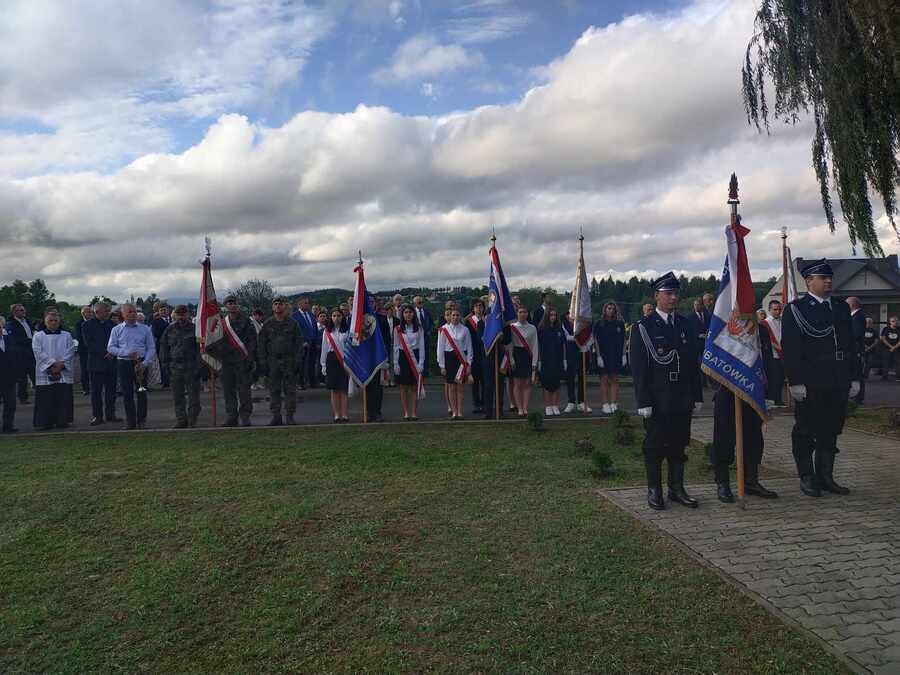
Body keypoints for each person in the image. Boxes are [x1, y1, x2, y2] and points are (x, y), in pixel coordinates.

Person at [781, 259, 860, 497]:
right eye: (823, 278)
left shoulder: (840, 307)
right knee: (805, 431)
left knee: (831, 429)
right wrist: (795, 380)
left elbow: (851, 344)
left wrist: (854, 376)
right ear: (809, 281)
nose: (828, 282)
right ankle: (807, 476)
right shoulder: (796, 309)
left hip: (838, 378)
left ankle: (826, 476)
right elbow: (791, 348)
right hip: (811, 380)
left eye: (830, 278)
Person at [629, 272, 703, 510]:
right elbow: (639, 368)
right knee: (654, 445)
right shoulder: (643, 327)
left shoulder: (685, 324)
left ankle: (676, 488)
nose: (673, 298)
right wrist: (643, 401)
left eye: (675, 293)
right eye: (668, 293)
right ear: (656, 296)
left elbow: (692, 363)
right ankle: (654, 490)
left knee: (679, 444)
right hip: (658, 398)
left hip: (682, 396)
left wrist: (697, 395)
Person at [107, 303, 156, 430]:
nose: (133, 314)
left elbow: (151, 348)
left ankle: (142, 420)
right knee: (127, 394)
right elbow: (110, 348)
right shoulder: (116, 329)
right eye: (130, 312)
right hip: (124, 363)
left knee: (142, 393)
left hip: (141, 363)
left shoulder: (145, 329)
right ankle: (131, 422)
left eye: (134, 311)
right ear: (123, 314)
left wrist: (145, 364)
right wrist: (125, 353)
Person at [258, 297, 305, 426]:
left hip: (289, 360)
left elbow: (299, 343)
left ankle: (290, 416)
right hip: (272, 361)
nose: (278, 306)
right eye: (276, 304)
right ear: (272, 307)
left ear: (285, 306)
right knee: (274, 390)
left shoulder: (293, 324)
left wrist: (298, 361)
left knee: (290, 390)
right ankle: (276, 416)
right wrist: (263, 362)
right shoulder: (267, 324)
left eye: (281, 304)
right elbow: (261, 344)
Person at [31, 311, 76, 431]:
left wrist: (61, 364)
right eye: (50, 320)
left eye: (56, 320)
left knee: (62, 396)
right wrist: (53, 364)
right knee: (46, 397)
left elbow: (71, 350)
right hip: (46, 370)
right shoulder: (38, 336)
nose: (53, 323)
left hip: (63, 369)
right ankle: (45, 422)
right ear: (45, 322)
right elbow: (38, 352)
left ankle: (62, 420)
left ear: (59, 322)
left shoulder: (66, 335)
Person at [158, 305, 201, 429]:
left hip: (191, 367)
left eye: (183, 314)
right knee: (178, 397)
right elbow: (164, 348)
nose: (181, 317)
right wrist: (165, 365)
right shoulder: (169, 329)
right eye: (179, 314)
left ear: (188, 314)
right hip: (175, 367)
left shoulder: (195, 329)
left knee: (194, 397)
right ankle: (181, 420)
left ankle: (192, 420)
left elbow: (200, 349)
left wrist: (198, 366)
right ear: (175, 315)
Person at [219, 296, 257, 427]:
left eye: (234, 303)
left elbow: (252, 341)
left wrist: (250, 358)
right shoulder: (222, 323)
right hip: (226, 362)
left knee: (244, 390)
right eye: (229, 303)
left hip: (242, 361)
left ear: (238, 305)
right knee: (228, 391)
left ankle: (245, 416)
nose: (232, 305)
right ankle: (232, 417)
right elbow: (217, 341)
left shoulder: (246, 321)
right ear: (225, 306)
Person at [81, 302, 119, 426]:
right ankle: (97, 416)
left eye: (109, 311)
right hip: (96, 363)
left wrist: (113, 352)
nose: (108, 313)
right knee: (96, 392)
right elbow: (89, 344)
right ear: (97, 312)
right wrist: (106, 352)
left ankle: (110, 414)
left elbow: (117, 341)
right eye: (106, 311)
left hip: (111, 363)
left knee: (111, 391)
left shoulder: (112, 325)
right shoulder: (87, 325)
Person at [437, 309, 473, 420]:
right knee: (451, 387)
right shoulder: (444, 329)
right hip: (449, 360)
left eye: (457, 315)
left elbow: (469, 347)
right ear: (450, 316)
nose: (455, 317)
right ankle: (454, 411)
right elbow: (440, 348)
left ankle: (460, 411)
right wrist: (442, 365)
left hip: (461, 361)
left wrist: (469, 363)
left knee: (460, 387)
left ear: (460, 316)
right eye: (453, 315)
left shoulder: (465, 330)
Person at [593, 302, 626, 414]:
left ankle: (613, 403)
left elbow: (624, 340)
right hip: (603, 355)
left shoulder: (620, 323)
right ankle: (605, 404)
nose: (611, 310)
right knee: (604, 379)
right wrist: (598, 356)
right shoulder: (599, 323)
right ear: (605, 309)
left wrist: (624, 355)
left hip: (616, 355)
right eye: (609, 308)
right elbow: (596, 340)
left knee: (615, 379)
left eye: (613, 309)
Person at [394, 304, 426, 420]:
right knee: (403, 387)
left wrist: (421, 362)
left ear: (414, 314)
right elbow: (396, 346)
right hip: (403, 357)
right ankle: (406, 412)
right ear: (402, 314)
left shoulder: (419, 328)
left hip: (415, 357)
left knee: (414, 386)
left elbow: (422, 346)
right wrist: (396, 363)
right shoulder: (397, 329)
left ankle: (414, 412)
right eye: (406, 312)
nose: (408, 314)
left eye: (410, 312)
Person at [321, 309, 350, 422]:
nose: (336, 318)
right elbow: (324, 349)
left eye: (339, 315)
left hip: (344, 360)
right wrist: (323, 364)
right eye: (334, 315)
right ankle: (337, 414)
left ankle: (344, 414)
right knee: (334, 389)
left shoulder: (347, 331)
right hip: (332, 360)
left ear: (342, 317)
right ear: (331, 317)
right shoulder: (327, 331)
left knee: (343, 389)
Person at [509, 306, 538, 417]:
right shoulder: (512, 327)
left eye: (525, 312)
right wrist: (511, 359)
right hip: (517, 354)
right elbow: (510, 345)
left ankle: (525, 408)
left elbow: (535, 345)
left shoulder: (532, 328)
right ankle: (519, 408)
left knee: (527, 383)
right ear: (517, 313)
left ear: (527, 314)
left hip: (528, 355)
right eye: (520, 312)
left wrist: (534, 362)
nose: (522, 314)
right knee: (517, 383)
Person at [366, 297, 392, 423]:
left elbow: (387, 339)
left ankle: (377, 412)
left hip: (379, 357)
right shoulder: (361, 320)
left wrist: (385, 356)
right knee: (367, 385)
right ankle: (368, 412)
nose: (370, 304)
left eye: (372, 302)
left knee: (378, 387)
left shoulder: (382, 319)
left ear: (375, 304)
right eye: (368, 302)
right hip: (365, 358)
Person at [537, 308, 566, 416]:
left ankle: (555, 405)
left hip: (557, 360)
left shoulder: (559, 329)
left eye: (554, 315)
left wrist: (564, 359)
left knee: (556, 383)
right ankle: (548, 406)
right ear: (547, 316)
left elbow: (563, 345)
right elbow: (538, 345)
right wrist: (539, 360)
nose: (553, 317)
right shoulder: (541, 329)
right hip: (545, 360)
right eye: (551, 315)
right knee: (547, 384)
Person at [7, 303, 36, 404]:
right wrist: (31, 340)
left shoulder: (27, 321)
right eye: (21, 310)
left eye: (23, 310)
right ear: (14, 312)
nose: (23, 312)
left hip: (31, 352)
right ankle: (23, 398)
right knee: (22, 377)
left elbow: (32, 332)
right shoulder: (11, 324)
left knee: (35, 374)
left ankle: (41, 395)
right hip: (20, 354)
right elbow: (15, 339)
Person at [760, 300, 786, 406]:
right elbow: (767, 340)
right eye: (775, 309)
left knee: (781, 378)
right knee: (773, 378)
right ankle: (773, 399)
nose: (777, 311)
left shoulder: (783, 320)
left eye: (779, 309)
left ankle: (778, 399)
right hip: (772, 355)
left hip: (783, 354)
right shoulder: (764, 323)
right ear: (769, 310)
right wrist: (778, 348)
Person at [291, 297, 319, 390]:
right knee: (302, 365)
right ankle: (301, 382)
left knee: (312, 363)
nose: (308, 304)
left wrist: (316, 341)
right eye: (305, 303)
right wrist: (302, 342)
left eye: (308, 303)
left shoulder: (311, 314)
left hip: (313, 343)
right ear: (299, 304)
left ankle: (312, 382)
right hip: (302, 344)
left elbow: (314, 328)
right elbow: (295, 331)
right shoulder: (294, 316)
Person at [465, 299, 486, 414]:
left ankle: (485, 403)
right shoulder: (468, 322)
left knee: (485, 381)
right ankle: (476, 403)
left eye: (481, 306)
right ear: (473, 309)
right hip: (473, 354)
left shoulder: (487, 320)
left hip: (485, 353)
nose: (479, 308)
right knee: (475, 381)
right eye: (476, 306)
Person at [0, 317, 17, 432]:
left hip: (9, 377)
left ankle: (8, 426)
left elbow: (15, 357)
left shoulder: (8, 339)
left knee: (10, 403)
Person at [73, 305, 93, 396]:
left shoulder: (94, 322)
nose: (90, 314)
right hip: (84, 350)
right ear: (83, 313)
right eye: (88, 312)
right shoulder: (78, 324)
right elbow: (79, 337)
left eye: (91, 312)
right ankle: (86, 388)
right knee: (84, 369)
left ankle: (94, 387)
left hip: (94, 350)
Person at [413, 296, 434, 377]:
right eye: (419, 302)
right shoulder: (412, 313)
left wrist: (430, 331)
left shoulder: (427, 312)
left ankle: (426, 371)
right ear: (415, 303)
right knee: (417, 354)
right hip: (416, 338)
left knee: (426, 354)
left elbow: (432, 323)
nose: (421, 304)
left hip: (426, 337)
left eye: (422, 302)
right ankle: (417, 371)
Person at [151, 304, 171, 389]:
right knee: (163, 363)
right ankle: (165, 382)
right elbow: (156, 333)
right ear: (158, 312)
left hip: (175, 345)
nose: (163, 311)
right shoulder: (156, 322)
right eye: (161, 310)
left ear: (168, 310)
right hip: (162, 345)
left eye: (165, 310)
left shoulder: (173, 319)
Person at [880, 316, 900, 381]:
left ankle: (898, 377)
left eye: (896, 321)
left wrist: (894, 347)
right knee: (886, 362)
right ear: (890, 322)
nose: (895, 322)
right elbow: (883, 338)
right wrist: (891, 347)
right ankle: (884, 377)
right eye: (893, 321)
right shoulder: (886, 329)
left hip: (897, 348)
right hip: (886, 348)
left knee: (898, 362)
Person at [862, 316, 879, 385]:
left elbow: (876, 341)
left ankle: (865, 376)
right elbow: (859, 339)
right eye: (867, 322)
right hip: (862, 349)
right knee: (862, 363)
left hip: (872, 350)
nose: (868, 323)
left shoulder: (874, 331)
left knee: (869, 363)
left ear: (872, 323)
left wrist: (869, 347)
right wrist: (865, 346)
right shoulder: (861, 330)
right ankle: (859, 376)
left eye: (870, 322)